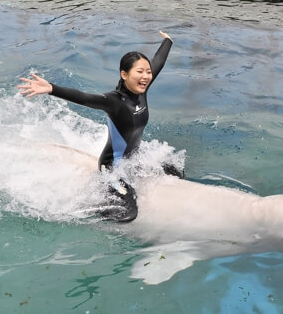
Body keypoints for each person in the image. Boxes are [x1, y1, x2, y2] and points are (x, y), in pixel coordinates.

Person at [18, 31, 176, 222]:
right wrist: (51, 88)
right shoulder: (114, 101)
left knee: (175, 169)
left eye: (148, 72)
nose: (146, 76)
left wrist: (168, 41)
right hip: (112, 169)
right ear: (124, 74)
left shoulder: (142, 89)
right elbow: (85, 98)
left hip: (134, 160)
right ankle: (83, 210)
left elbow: (158, 62)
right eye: (140, 72)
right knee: (128, 215)